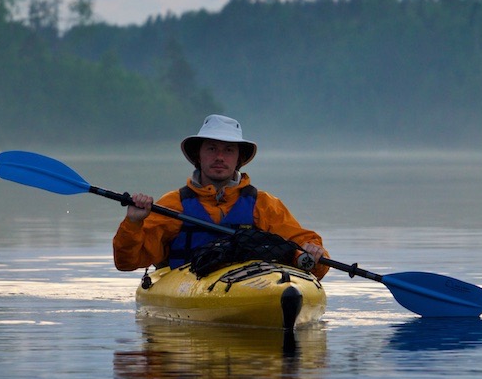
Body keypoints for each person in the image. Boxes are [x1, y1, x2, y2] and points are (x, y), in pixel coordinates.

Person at [113, 114, 330, 279]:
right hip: (186, 286)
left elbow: (305, 249)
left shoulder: (264, 205)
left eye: (228, 150)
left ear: (238, 158)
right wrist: (133, 222)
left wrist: (312, 253)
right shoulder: (173, 204)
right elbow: (126, 262)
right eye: (211, 149)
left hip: (250, 286)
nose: (219, 157)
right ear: (199, 155)